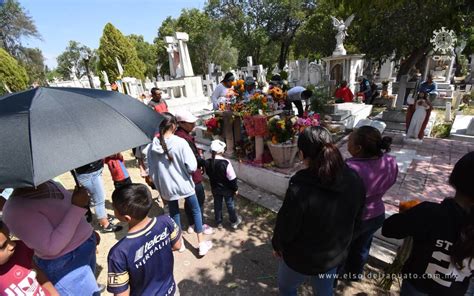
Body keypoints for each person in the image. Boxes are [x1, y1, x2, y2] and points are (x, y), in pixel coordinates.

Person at [272, 126, 366, 295]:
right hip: (332, 257)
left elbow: (287, 225)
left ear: (301, 154)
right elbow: (358, 219)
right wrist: (344, 246)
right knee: (324, 291)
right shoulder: (354, 179)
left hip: (300, 260)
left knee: (286, 287)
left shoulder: (300, 186)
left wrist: (278, 246)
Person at [382, 151, 474, 295]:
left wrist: (409, 214)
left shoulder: (429, 213)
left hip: (416, 287)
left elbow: (388, 229)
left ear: (455, 177)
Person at [2, 181, 100, 295]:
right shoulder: (14, 210)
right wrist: (77, 207)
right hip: (66, 263)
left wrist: (88, 232)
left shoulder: (49, 183)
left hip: (83, 250)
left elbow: (66, 214)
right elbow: (51, 247)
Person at [147, 112, 213, 256]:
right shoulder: (180, 142)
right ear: (173, 125)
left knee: (174, 212)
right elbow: (191, 166)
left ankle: (179, 243)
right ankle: (201, 243)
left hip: (167, 187)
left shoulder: (152, 146)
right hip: (184, 184)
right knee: (196, 210)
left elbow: (151, 171)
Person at [340, 126, 398, 279]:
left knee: (342, 249)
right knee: (362, 246)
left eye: (350, 141)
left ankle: (334, 277)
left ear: (358, 148)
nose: (347, 143)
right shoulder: (390, 161)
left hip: (354, 218)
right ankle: (354, 274)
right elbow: (392, 181)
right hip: (377, 214)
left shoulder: (350, 169)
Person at [107, 184, 182, 296]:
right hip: (170, 290)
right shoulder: (166, 221)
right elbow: (177, 246)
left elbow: (121, 294)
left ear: (126, 218)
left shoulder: (118, 253)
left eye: (114, 208)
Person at [175, 110, 214, 235]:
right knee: (199, 199)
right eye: (190, 123)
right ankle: (199, 225)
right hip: (191, 173)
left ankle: (191, 223)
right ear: (181, 123)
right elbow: (193, 158)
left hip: (185, 173)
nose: (193, 125)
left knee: (189, 199)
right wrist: (207, 163)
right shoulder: (183, 138)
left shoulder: (181, 135)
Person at [0, 220, 59, 295]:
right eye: (3, 246)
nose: (12, 245)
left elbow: (39, 276)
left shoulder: (20, 251)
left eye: (9, 238)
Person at [204, 140, 242, 230]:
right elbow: (232, 178)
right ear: (222, 151)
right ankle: (234, 221)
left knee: (217, 204)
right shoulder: (226, 162)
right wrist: (235, 188)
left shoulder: (208, 162)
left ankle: (219, 222)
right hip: (227, 189)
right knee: (230, 204)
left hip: (215, 188)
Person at [76, 160, 122, 232]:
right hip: (90, 174)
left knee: (97, 197)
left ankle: (103, 217)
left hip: (93, 172)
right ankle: (105, 224)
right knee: (99, 200)